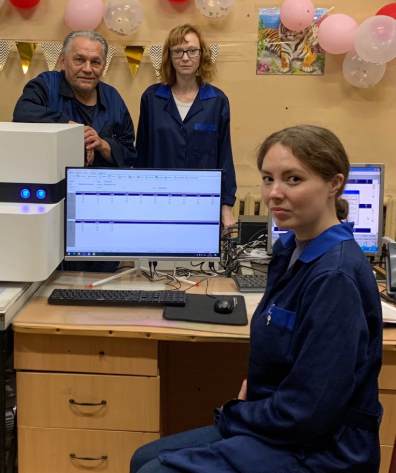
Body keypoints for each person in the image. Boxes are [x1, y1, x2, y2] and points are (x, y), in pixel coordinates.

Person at [130, 125, 383, 473]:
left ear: (334, 184)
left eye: (293, 179)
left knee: (152, 470)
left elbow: (309, 410)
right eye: (267, 179)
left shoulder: (334, 277)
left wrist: (238, 413)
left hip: (321, 449)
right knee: (142, 458)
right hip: (284, 424)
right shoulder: (291, 250)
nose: (274, 193)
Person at [135, 24, 236, 229]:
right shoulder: (151, 98)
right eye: (178, 51)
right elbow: (141, 155)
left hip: (202, 202)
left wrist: (226, 208)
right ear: (169, 56)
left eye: (192, 51)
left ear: (202, 54)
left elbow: (224, 156)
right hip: (158, 201)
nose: (185, 57)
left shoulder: (217, 101)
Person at [13, 30, 136, 168]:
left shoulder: (113, 98)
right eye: (79, 60)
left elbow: (129, 155)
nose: (88, 69)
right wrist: (72, 128)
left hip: (99, 180)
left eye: (95, 62)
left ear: (103, 66)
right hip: (52, 177)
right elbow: (23, 112)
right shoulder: (46, 85)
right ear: (63, 61)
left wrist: (101, 144)